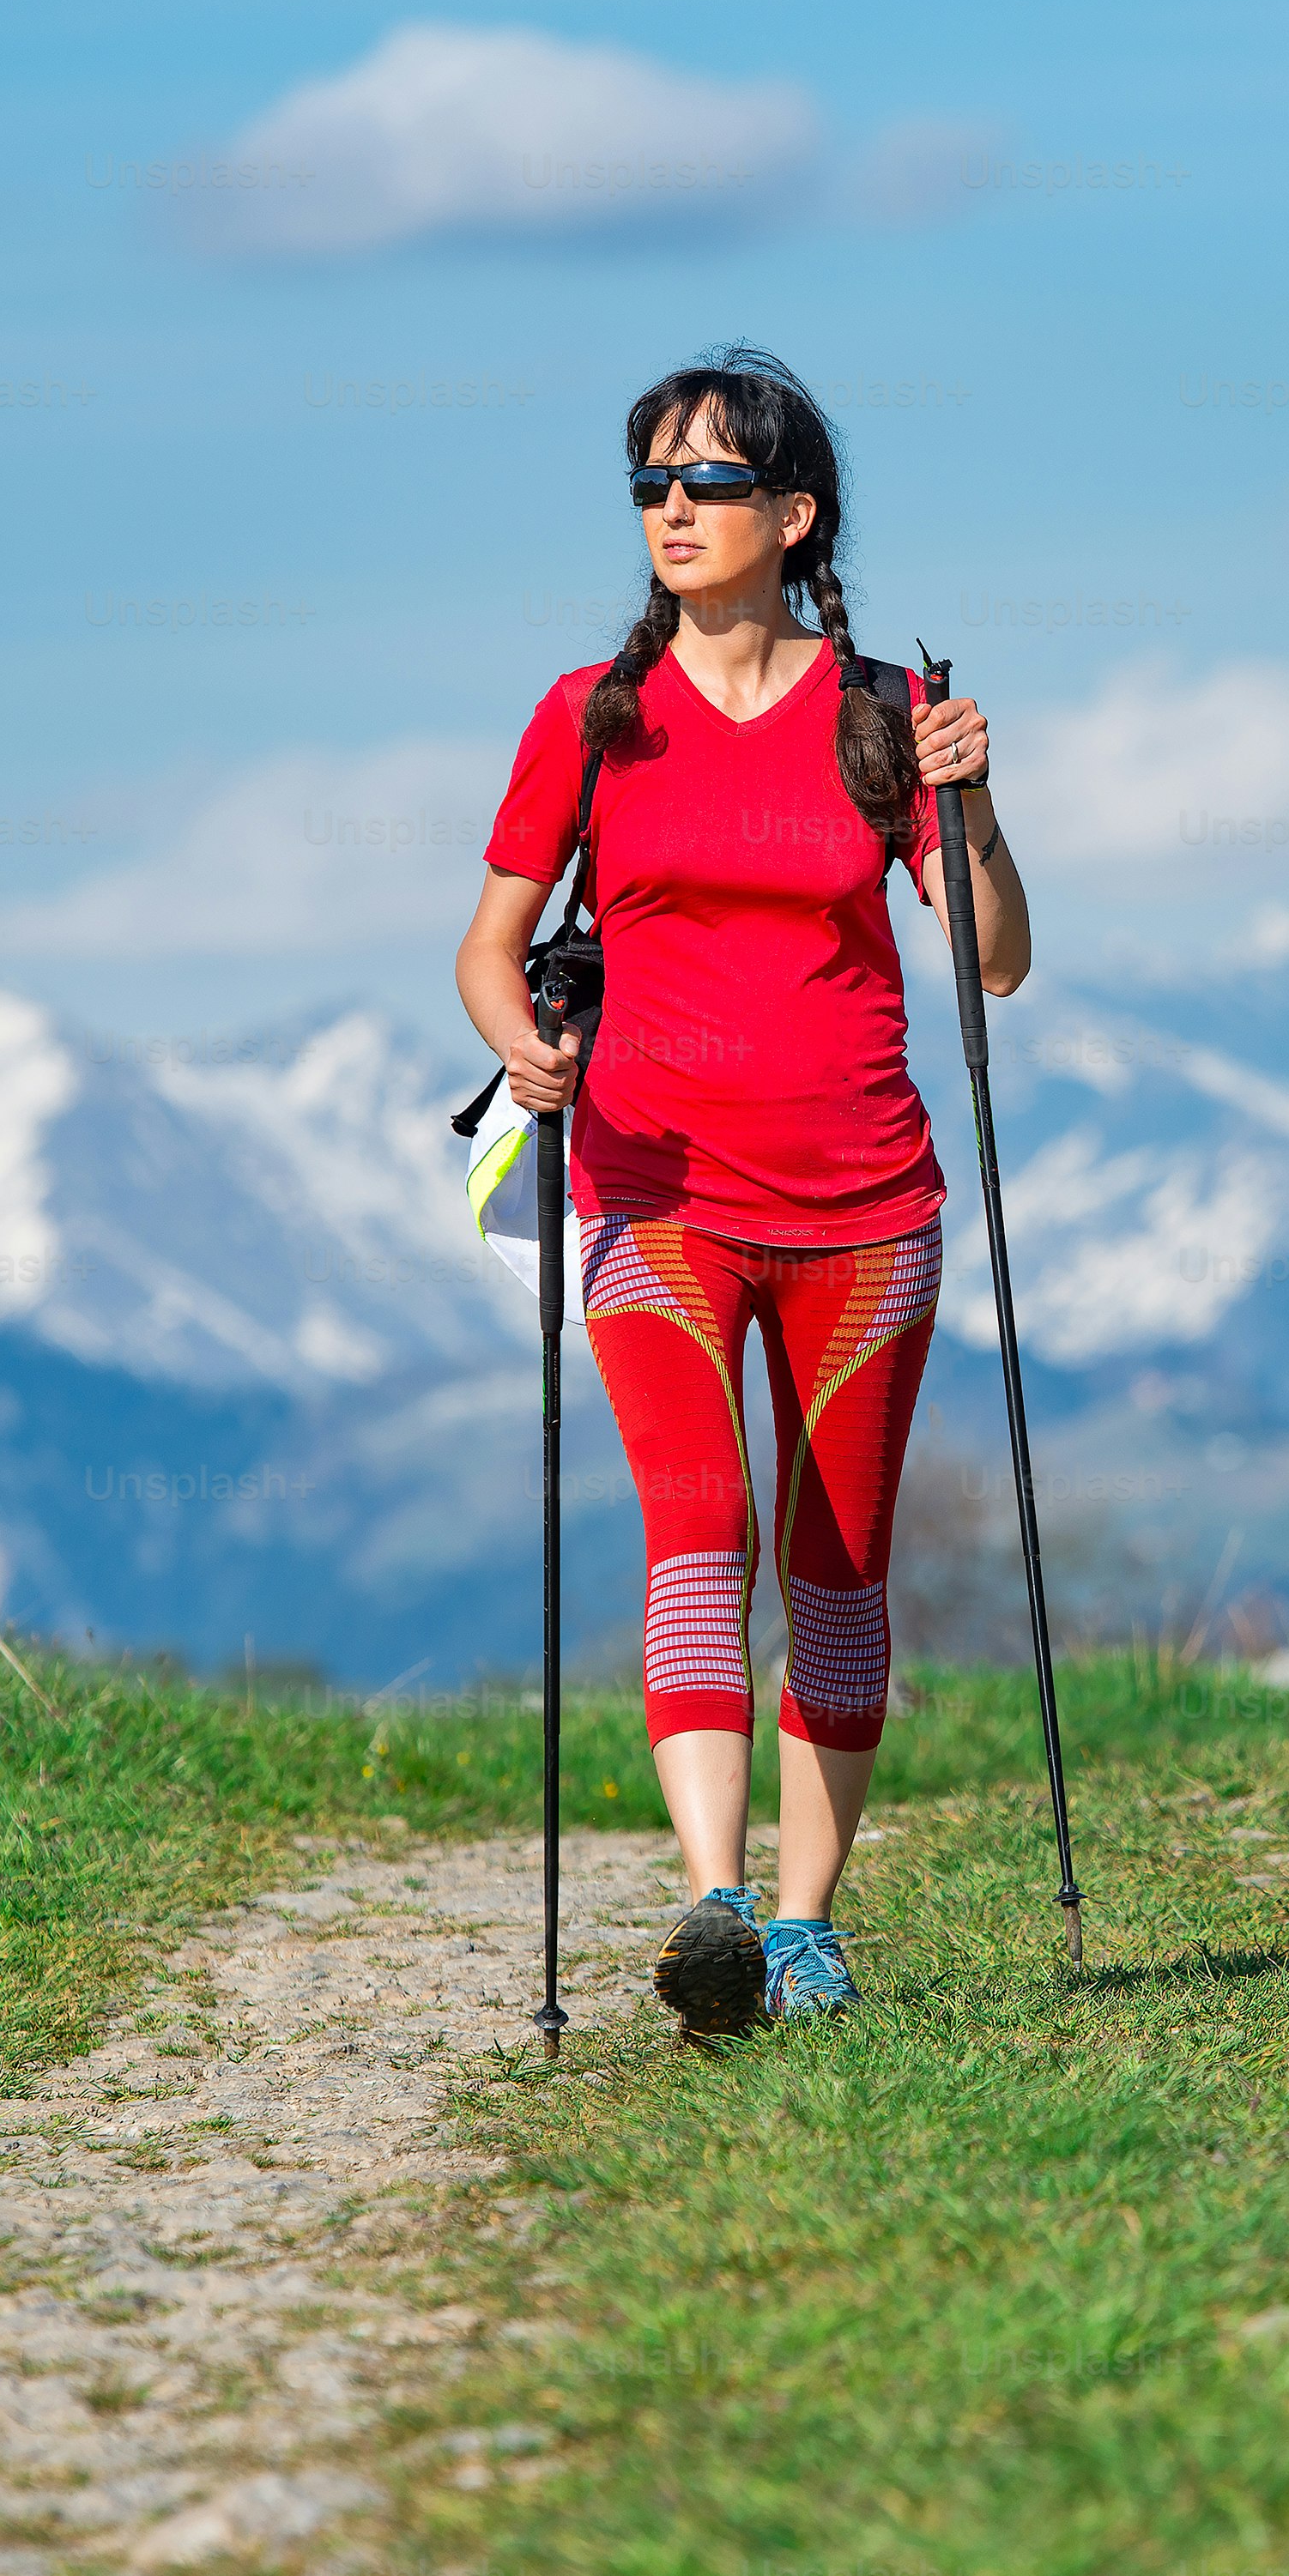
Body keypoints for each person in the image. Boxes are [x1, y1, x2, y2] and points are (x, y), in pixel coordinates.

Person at [458, 349, 1027, 2035]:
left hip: (867, 1205)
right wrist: (533, 1054)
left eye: (705, 483)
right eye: (650, 484)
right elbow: (491, 953)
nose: (672, 511)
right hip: (654, 1189)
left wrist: (970, 796)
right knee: (697, 1529)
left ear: (792, 515)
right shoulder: (589, 715)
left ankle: (802, 1923)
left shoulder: (879, 713)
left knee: (836, 1561)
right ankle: (715, 1898)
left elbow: (992, 960)